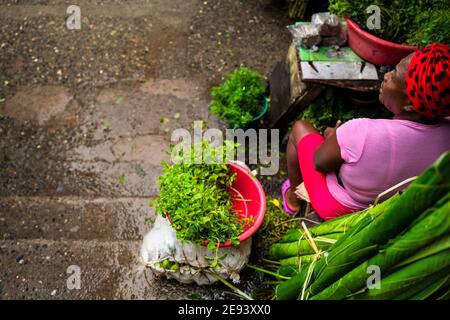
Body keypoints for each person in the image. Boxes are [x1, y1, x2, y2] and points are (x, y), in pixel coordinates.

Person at [282, 43, 450, 220]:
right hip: (387, 209)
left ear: (409, 104)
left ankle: (293, 199)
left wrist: (334, 138)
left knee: (300, 127)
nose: (386, 76)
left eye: (394, 75)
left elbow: (319, 163)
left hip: (339, 208)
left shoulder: (361, 132)